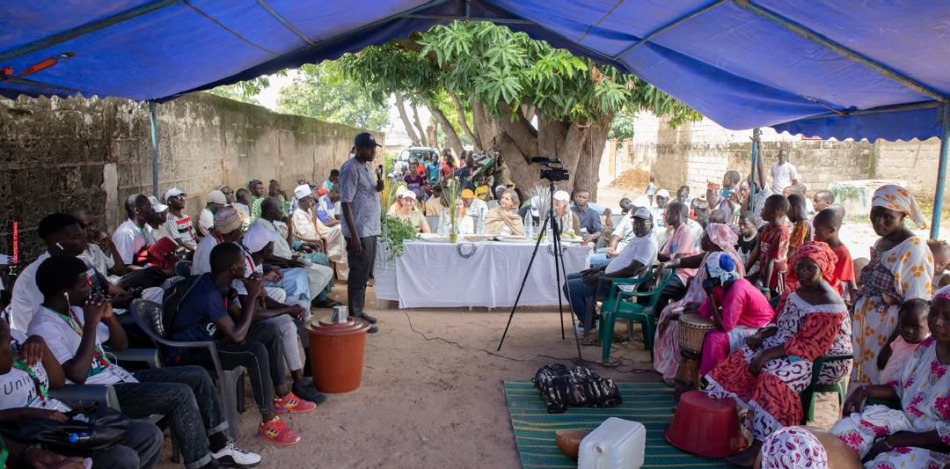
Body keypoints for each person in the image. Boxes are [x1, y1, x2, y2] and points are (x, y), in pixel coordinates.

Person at [28, 255, 260, 467]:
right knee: (179, 395)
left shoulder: (76, 311)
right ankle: (203, 465)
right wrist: (90, 324)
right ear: (64, 293)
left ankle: (220, 449)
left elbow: (121, 346)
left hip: (122, 378)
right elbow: (77, 375)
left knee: (196, 375)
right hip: (98, 393)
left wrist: (109, 319)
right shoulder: (45, 326)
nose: (89, 288)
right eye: (83, 285)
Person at [704, 241, 853, 467]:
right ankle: (724, 419)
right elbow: (779, 323)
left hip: (822, 360)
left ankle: (761, 446)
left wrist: (766, 355)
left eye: (810, 268)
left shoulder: (829, 304)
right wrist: (762, 335)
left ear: (822, 269)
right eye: (800, 266)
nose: (803, 272)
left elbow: (810, 346)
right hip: (788, 344)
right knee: (741, 358)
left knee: (772, 378)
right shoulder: (794, 291)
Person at [0, 318, 165, 469]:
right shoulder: (41, 324)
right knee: (122, 458)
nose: (13, 346)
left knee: (148, 434)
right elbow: (77, 374)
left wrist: (41, 344)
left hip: (60, 420)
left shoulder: (18, 337)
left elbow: (57, 382)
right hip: (30, 435)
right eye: (7, 344)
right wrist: (26, 413)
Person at [832, 287, 950, 469]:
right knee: (841, 436)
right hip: (903, 421)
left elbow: (945, 433)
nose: (937, 322)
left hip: (935, 445)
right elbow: (901, 386)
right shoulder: (928, 346)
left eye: (947, 317)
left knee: (885, 464)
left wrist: (895, 442)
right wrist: (864, 389)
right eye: (933, 314)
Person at [851, 185, 933, 386]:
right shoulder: (882, 242)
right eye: (875, 215)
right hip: (870, 333)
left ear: (902, 216)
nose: (879, 222)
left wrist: (891, 346)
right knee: (863, 382)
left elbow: (917, 305)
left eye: (888, 217)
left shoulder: (913, 248)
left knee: (879, 384)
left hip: (889, 334)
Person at [653, 224, 745, 382]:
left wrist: (697, 308)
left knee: (673, 318)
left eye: (704, 236)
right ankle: (670, 366)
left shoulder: (724, 259)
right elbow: (687, 261)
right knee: (667, 312)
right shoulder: (712, 254)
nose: (700, 239)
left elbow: (721, 295)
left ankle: (679, 371)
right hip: (701, 303)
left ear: (712, 241)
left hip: (714, 307)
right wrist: (666, 264)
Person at [563, 208, 656, 334]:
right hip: (610, 277)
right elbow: (621, 261)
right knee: (570, 278)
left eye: (642, 223)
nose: (637, 226)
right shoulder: (638, 239)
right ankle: (591, 318)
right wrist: (599, 269)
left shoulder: (648, 243)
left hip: (618, 285)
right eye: (635, 223)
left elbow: (631, 271)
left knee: (569, 287)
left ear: (651, 224)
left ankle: (588, 323)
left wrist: (601, 277)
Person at [685, 252, 773, 376]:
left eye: (709, 273)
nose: (706, 276)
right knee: (707, 329)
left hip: (759, 328)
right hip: (743, 322)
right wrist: (690, 310)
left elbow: (725, 326)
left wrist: (710, 295)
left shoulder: (737, 290)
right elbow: (706, 309)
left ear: (717, 275)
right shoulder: (722, 284)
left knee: (715, 338)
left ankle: (714, 378)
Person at [257, 198, 336, 308]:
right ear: (271, 209)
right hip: (279, 266)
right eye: (280, 208)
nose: (282, 212)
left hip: (288, 260)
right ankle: (299, 306)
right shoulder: (259, 227)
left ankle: (304, 304)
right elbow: (263, 256)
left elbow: (288, 248)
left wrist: (289, 228)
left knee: (325, 271)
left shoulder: (273, 225)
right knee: (307, 275)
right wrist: (288, 262)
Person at [340, 133, 383, 333]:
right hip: (360, 231)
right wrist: (354, 235)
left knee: (364, 274)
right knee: (357, 274)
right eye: (369, 148)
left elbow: (365, 193)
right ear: (358, 148)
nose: (373, 151)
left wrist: (378, 186)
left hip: (370, 229)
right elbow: (346, 202)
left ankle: (359, 311)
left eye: (374, 148)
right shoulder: (350, 169)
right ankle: (355, 318)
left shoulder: (366, 166)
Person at [292, 184, 348, 281]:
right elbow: (308, 234)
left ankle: (343, 272)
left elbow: (319, 225)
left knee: (340, 230)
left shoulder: (308, 210)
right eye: (309, 199)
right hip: (313, 241)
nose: (311, 202)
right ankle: (340, 268)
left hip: (320, 233)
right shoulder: (298, 214)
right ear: (302, 201)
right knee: (339, 233)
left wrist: (313, 213)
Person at [877, 298, 930, 385]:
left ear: (929, 325)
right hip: (885, 387)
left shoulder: (927, 348)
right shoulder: (900, 339)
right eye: (903, 324)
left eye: (915, 327)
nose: (908, 330)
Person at [748, 194, 791, 299]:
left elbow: (770, 260)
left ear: (774, 211)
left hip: (776, 277)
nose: (762, 210)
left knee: (773, 303)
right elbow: (756, 251)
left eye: (765, 207)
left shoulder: (781, 232)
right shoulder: (766, 228)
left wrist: (766, 288)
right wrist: (745, 271)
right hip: (765, 273)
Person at [656, 201, 697, 308]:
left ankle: (658, 320)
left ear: (677, 214)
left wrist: (663, 265)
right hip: (674, 273)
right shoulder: (676, 233)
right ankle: (654, 318)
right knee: (647, 284)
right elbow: (665, 257)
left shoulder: (686, 233)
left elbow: (679, 260)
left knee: (657, 291)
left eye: (668, 213)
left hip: (684, 276)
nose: (665, 217)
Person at [812, 208, 856, 302]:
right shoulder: (817, 243)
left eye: (818, 230)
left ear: (832, 230)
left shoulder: (842, 253)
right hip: (812, 291)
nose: (815, 232)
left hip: (829, 296)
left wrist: (854, 304)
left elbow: (850, 281)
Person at [70, 207, 128, 277]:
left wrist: (111, 245)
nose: (93, 228)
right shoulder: (76, 255)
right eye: (88, 225)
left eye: (93, 224)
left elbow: (121, 271)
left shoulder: (95, 248)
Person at [111, 194, 155, 268]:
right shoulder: (126, 233)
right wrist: (151, 271)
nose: (152, 210)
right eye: (149, 207)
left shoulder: (147, 228)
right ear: (137, 210)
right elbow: (124, 267)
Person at [162, 187, 197, 253]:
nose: (182, 199)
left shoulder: (186, 217)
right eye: (177, 197)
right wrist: (196, 249)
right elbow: (179, 242)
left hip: (195, 248)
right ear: (169, 201)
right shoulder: (170, 219)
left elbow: (195, 236)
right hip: (187, 252)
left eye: (183, 197)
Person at [736, 210, 760, 280]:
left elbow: (756, 265)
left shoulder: (757, 239)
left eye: (745, 224)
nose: (742, 227)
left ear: (754, 224)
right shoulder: (740, 238)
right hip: (740, 273)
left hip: (752, 276)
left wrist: (743, 275)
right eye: (740, 224)